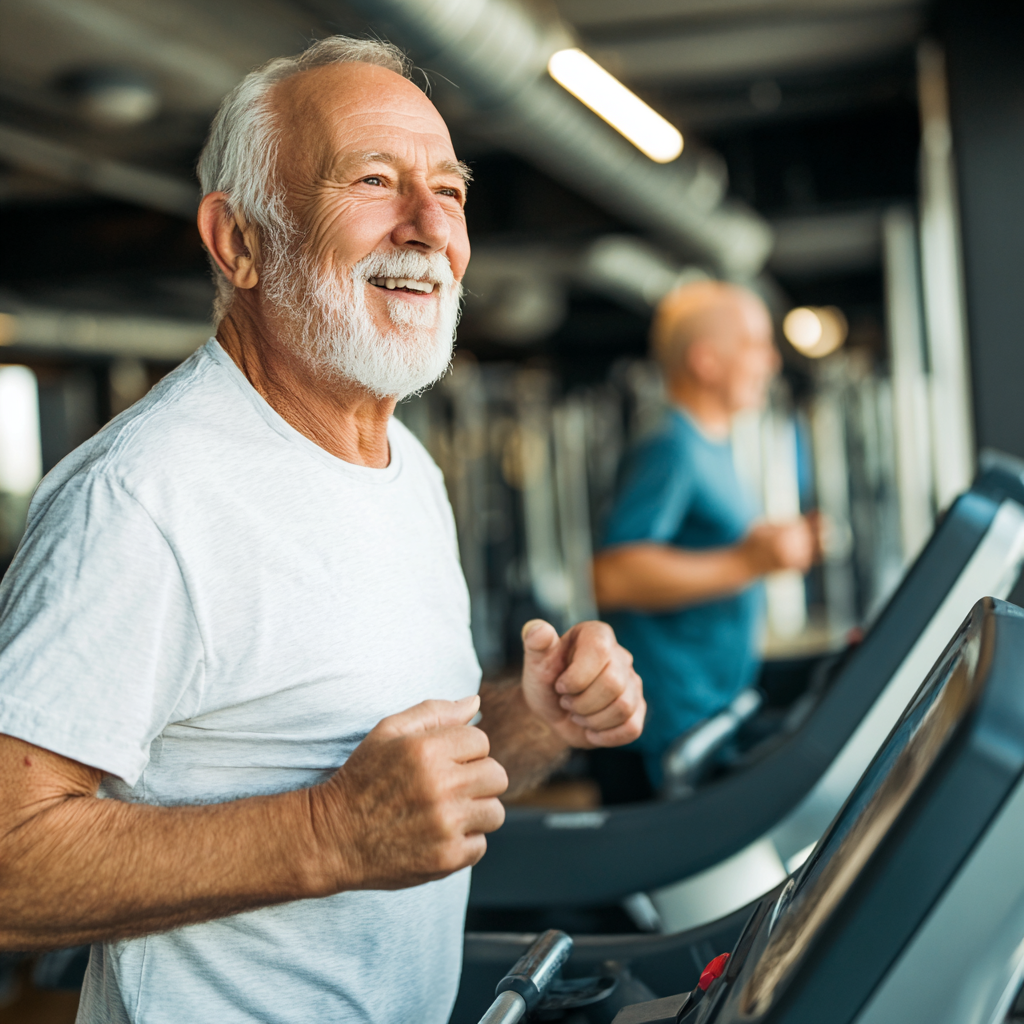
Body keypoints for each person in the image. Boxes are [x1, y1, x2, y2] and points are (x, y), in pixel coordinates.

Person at [0, 38, 645, 1024]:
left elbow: (414, 786)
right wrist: (328, 831)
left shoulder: (405, 466)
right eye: (374, 181)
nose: (429, 226)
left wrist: (533, 718)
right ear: (240, 242)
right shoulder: (143, 497)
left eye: (450, 190)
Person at [592, 280, 817, 788]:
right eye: (756, 345)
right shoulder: (671, 445)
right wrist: (748, 563)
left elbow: (708, 549)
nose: (771, 363)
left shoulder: (708, 446)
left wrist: (763, 549)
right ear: (706, 361)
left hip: (711, 713)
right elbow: (615, 575)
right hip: (669, 734)